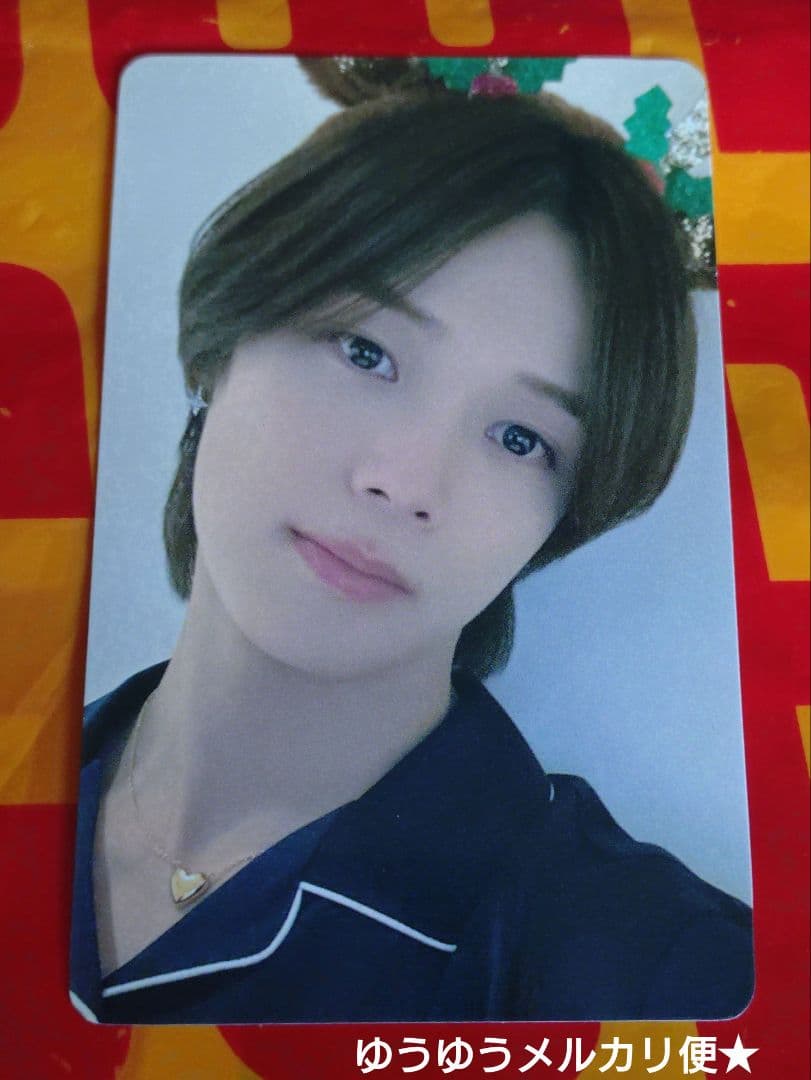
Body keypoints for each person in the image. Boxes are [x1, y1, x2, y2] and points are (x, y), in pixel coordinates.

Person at [70, 58, 753, 1024]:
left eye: (518, 438)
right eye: (367, 352)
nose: (405, 483)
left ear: (560, 518)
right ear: (222, 343)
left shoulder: (671, 979)